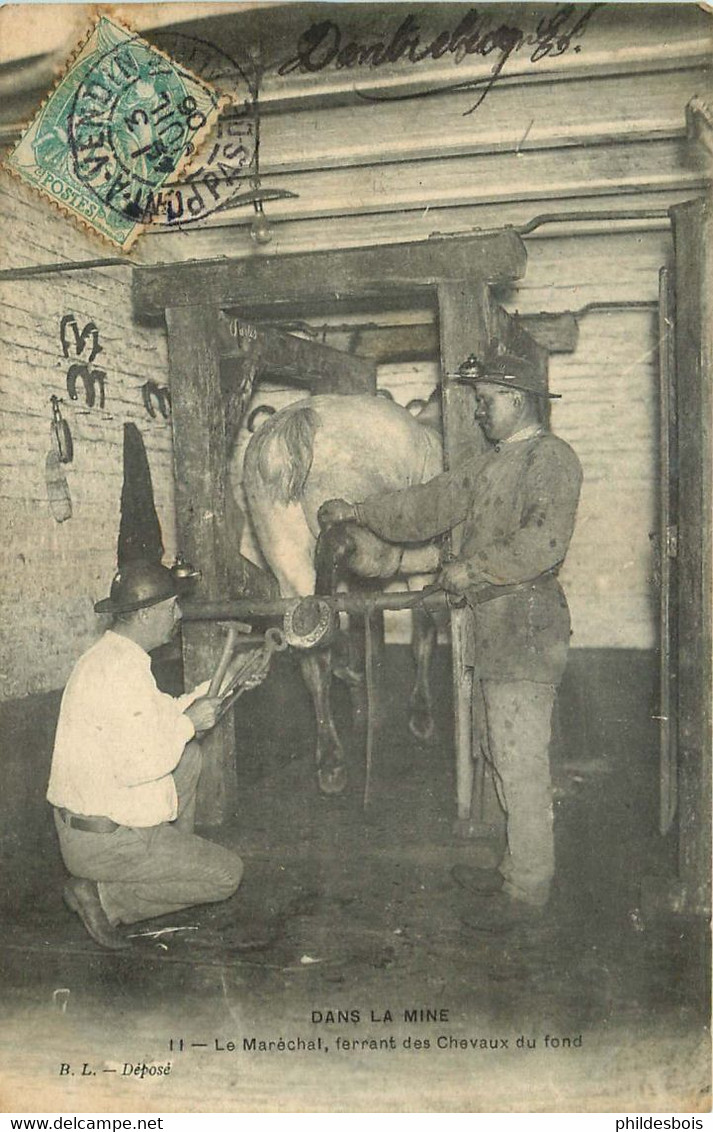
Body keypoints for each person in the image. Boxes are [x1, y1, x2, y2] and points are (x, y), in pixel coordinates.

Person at [318, 353, 582, 928]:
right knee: (496, 750)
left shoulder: (551, 459)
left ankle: (528, 890)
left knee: (519, 760)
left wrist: (471, 569)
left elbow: (544, 543)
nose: (478, 409)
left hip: (526, 627)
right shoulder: (489, 465)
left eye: (485, 399)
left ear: (517, 398)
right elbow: (426, 504)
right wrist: (358, 510)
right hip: (492, 632)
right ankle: (515, 864)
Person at [47, 559, 267, 950]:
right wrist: (190, 723)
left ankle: (171, 859)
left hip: (93, 823)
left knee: (189, 756)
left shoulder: (114, 657)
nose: (178, 615)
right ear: (147, 614)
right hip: (104, 842)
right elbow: (137, 765)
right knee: (226, 875)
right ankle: (103, 899)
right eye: (171, 608)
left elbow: (167, 714)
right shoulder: (121, 672)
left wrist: (234, 674)